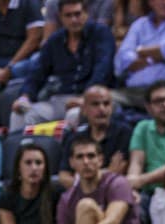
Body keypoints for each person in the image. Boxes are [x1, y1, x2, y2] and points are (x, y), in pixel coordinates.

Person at [9, 0, 115, 131]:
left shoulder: (100, 33)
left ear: (86, 14)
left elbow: (103, 70)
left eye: (77, 14)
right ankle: (22, 150)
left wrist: (86, 98)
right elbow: (37, 72)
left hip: (92, 99)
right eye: (68, 16)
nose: (74, 20)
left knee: (73, 115)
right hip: (60, 99)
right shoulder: (55, 40)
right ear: (61, 18)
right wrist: (25, 96)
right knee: (20, 115)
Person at [56, 136, 140, 224]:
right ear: (71, 163)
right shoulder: (67, 198)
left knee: (86, 206)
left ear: (100, 160)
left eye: (91, 156)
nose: (86, 162)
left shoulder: (118, 183)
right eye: (80, 157)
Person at [58, 86, 134, 191]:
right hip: (80, 194)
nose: (102, 109)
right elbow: (64, 177)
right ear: (84, 110)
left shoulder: (124, 133)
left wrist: (81, 177)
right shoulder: (74, 137)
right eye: (95, 104)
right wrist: (106, 173)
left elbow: (119, 171)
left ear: (111, 108)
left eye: (106, 104)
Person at [0, 144, 65, 224]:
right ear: (18, 168)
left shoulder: (57, 193)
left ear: (45, 168)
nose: (34, 168)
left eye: (38, 163)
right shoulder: (7, 197)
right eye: (28, 163)